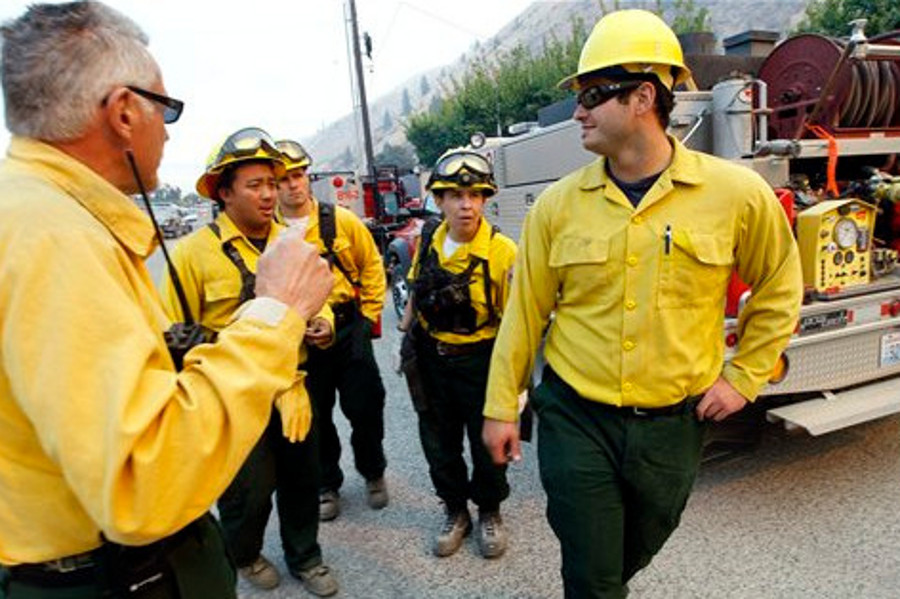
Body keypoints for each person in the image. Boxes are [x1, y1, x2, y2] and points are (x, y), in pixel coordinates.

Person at [0, 3, 332, 599]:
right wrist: (276, 312)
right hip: (114, 575)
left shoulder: (34, 213)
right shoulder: (53, 238)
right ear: (125, 112)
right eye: (166, 108)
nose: (168, 129)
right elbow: (142, 480)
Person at [482, 9, 803, 598]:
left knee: (636, 547)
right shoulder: (556, 207)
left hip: (673, 427)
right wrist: (502, 405)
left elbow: (781, 284)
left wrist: (745, 376)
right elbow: (524, 312)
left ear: (643, 97)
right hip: (577, 417)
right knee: (592, 572)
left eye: (592, 94)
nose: (577, 110)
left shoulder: (735, 195)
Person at [161, 128, 338, 597]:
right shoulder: (193, 254)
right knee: (248, 491)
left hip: (294, 388)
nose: (268, 194)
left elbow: (322, 297)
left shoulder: (294, 240)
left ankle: (306, 556)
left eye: (272, 184)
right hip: (234, 394)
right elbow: (172, 331)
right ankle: (244, 552)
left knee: (303, 477)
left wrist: (323, 322)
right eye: (254, 185)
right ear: (224, 192)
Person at [397, 149, 517, 559]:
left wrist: (514, 387)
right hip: (432, 358)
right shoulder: (429, 238)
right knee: (438, 441)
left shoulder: (503, 253)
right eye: (454, 196)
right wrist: (405, 329)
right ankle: (455, 510)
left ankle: (489, 511)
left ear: (485, 200)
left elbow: (514, 326)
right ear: (439, 199)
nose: (465, 205)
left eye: (474, 196)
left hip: (481, 360)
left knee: (487, 446)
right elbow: (415, 286)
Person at [274, 139, 389, 522]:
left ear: (308, 176)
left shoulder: (340, 220)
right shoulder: (268, 231)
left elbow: (371, 265)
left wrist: (368, 315)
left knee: (366, 406)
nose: (293, 185)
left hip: (347, 326)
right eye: (284, 178)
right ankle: (327, 484)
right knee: (315, 414)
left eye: (299, 175)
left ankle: (373, 472)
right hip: (299, 332)